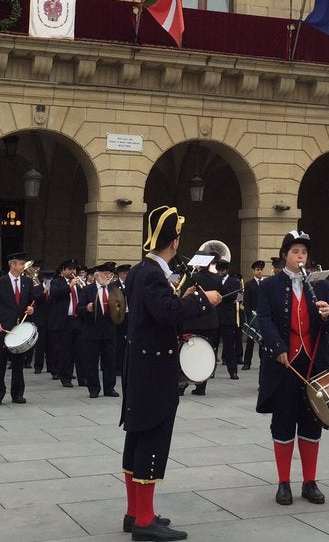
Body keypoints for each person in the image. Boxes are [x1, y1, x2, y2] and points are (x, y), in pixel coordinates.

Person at [120, 205, 222, 541]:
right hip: (153, 369)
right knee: (151, 439)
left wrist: (183, 304)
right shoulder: (151, 273)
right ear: (174, 240)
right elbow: (165, 311)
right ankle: (145, 522)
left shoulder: (139, 270)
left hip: (142, 364)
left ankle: (135, 512)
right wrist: (204, 300)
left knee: (136, 438)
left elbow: (154, 314)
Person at [256, 230, 329, 507]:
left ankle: (309, 481)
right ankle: (283, 482)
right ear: (284, 256)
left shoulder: (321, 286)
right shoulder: (269, 286)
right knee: (283, 422)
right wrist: (277, 347)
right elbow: (264, 320)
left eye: (303, 252)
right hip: (284, 365)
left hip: (313, 364)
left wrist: (328, 315)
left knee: (312, 422)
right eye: (295, 252)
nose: (300, 256)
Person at [0, 251, 35, 406]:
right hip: (2, 330)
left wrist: (31, 310)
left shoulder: (27, 282)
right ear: (12, 265)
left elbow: (31, 302)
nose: (23, 267)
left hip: (19, 331)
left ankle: (17, 394)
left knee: (18, 364)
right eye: (21, 264)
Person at [179, 246, 222, 397]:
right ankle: (201, 387)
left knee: (188, 352)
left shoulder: (193, 277)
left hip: (193, 320)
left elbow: (183, 296)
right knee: (206, 353)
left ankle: (182, 384)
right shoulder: (216, 278)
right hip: (210, 321)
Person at [79, 262, 120, 398]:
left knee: (110, 361)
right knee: (91, 361)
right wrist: (87, 308)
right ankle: (94, 388)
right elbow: (78, 309)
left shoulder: (114, 288)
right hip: (92, 331)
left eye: (109, 274)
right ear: (97, 276)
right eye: (105, 274)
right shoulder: (87, 290)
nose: (107, 276)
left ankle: (110, 388)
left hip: (109, 331)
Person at [215, 260, 241, 380]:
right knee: (212, 346)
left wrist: (220, 294)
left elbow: (233, 296)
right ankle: (211, 371)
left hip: (227, 318)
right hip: (214, 317)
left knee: (229, 346)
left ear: (226, 270)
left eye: (222, 270)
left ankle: (233, 371)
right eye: (218, 270)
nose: (220, 273)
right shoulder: (213, 279)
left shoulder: (234, 282)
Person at [241, 260, 265, 370]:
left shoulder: (265, 284)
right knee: (251, 340)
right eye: (257, 270)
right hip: (253, 315)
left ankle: (263, 362)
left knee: (262, 342)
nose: (259, 272)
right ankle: (247, 363)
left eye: (261, 270)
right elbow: (246, 302)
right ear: (253, 271)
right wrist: (249, 315)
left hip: (263, 315)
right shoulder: (249, 284)